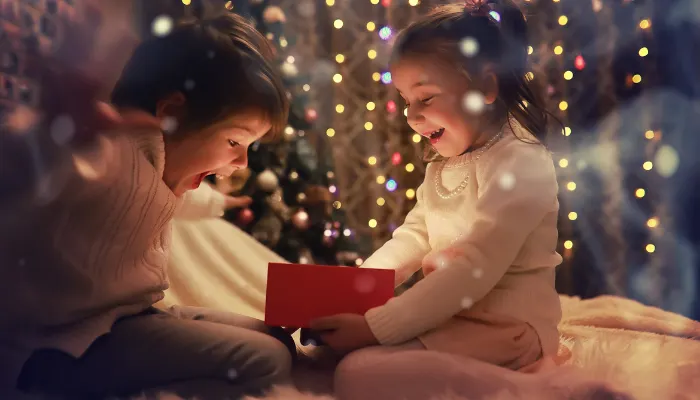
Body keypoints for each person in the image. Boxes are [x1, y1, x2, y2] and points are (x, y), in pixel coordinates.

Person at [0, 10, 296, 400]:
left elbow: (183, 200)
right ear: (171, 115)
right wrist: (57, 131)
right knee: (266, 360)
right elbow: (38, 171)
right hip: (64, 347)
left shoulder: (164, 168)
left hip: (128, 319)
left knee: (275, 338)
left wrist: (220, 202)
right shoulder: (111, 157)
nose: (242, 162)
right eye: (234, 142)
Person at [307, 0, 564, 396]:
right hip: (454, 317)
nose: (411, 117)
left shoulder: (521, 161)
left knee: (358, 374)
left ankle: (532, 388)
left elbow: (477, 266)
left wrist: (378, 326)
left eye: (424, 99)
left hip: (510, 329)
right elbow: (413, 239)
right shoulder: (441, 166)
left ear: (487, 87)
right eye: (406, 101)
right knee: (333, 360)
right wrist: (354, 293)